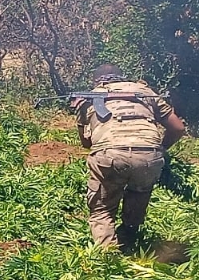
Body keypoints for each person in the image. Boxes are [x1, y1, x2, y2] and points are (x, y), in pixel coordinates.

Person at [73, 64, 185, 252]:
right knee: (139, 194)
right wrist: (161, 148)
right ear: (121, 77)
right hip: (149, 155)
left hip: (109, 154)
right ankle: (130, 242)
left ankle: (109, 259)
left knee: (102, 210)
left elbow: (86, 143)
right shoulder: (144, 91)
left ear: (96, 81)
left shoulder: (88, 97)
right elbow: (178, 128)